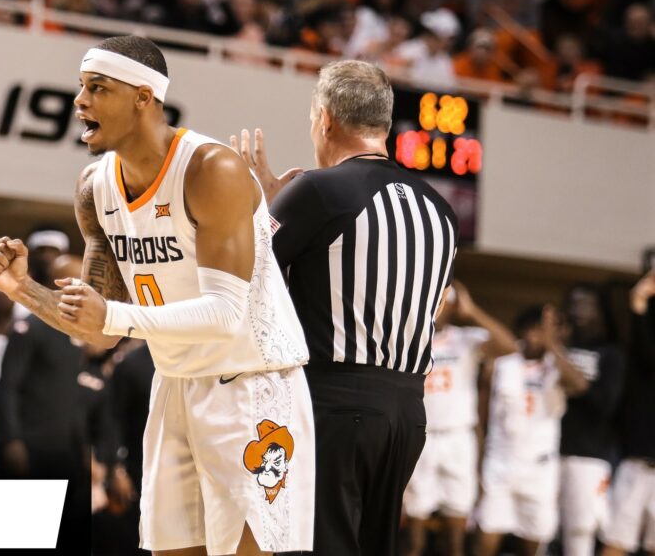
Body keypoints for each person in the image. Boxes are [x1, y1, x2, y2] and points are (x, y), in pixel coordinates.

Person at [0, 35, 314, 555]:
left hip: (251, 384)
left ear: (143, 97)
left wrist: (114, 316)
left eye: (97, 88)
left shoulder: (211, 169)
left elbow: (226, 313)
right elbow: (95, 329)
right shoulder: (94, 188)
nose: (80, 101)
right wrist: (22, 288)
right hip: (175, 383)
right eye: (80, 87)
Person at [232, 59, 458, 556]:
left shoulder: (318, 190)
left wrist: (263, 205)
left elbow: (244, 275)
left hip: (334, 405)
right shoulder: (441, 211)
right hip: (407, 414)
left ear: (325, 119)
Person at [404, 282, 518, 556]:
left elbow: (509, 346)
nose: (439, 308)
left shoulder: (466, 338)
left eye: (445, 303)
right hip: (421, 435)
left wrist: (473, 311)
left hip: (457, 437)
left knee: (455, 535)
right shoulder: (410, 337)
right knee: (413, 535)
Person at [473, 306, 589, 556]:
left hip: (540, 467)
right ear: (524, 329)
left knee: (533, 541)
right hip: (501, 462)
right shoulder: (501, 363)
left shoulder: (559, 364)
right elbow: (481, 417)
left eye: (547, 330)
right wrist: (479, 459)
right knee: (486, 537)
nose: (539, 335)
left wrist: (552, 345)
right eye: (536, 328)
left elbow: (580, 385)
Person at [559, 285, 625, 556]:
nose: (578, 310)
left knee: (580, 532)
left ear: (600, 311)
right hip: (548, 450)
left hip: (590, 455)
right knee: (542, 529)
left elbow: (605, 404)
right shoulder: (562, 346)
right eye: (573, 303)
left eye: (585, 304)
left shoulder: (611, 353)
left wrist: (577, 383)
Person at [600, 272, 655, 556]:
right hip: (637, 463)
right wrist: (639, 302)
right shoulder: (635, 353)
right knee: (616, 543)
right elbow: (646, 352)